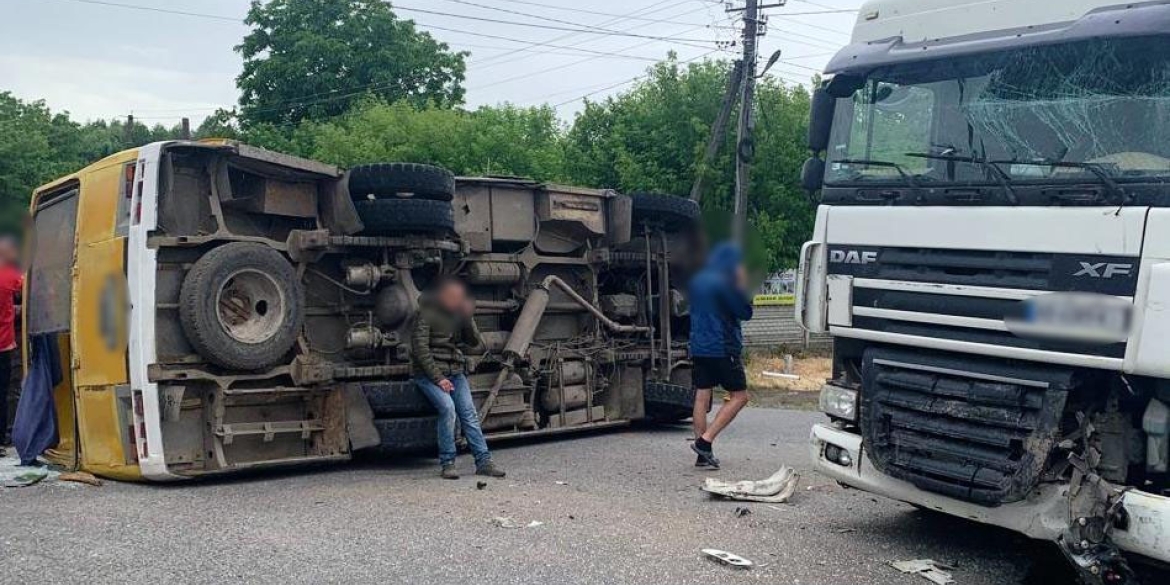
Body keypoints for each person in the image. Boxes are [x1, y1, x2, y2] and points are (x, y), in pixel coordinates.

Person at [411, 276, 506, 480]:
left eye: (460, 298)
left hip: (455, 371)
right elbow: (420, 350)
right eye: (454, 297)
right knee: (447, 408)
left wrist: (468, 317)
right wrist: (438, 379)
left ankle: (484, 461)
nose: (458, 301)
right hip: (428, 375)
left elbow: (474, 343)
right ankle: (448, 463)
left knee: (469, 414)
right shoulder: (425, 314)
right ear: (443, 296)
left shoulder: (457, 314)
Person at [688, 242, 754, 469]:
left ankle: (701, 454)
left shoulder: (697, 281)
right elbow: (745, 312)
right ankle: (705, 443)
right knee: (740, 396)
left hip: (698, 347)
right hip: (723, 348)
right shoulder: (726, 284)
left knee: (702, 396)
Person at [0, 237, 23, 448]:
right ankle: (5, 436)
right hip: (4, 346)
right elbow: (32, 288)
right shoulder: (7, 276)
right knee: (7, 391)